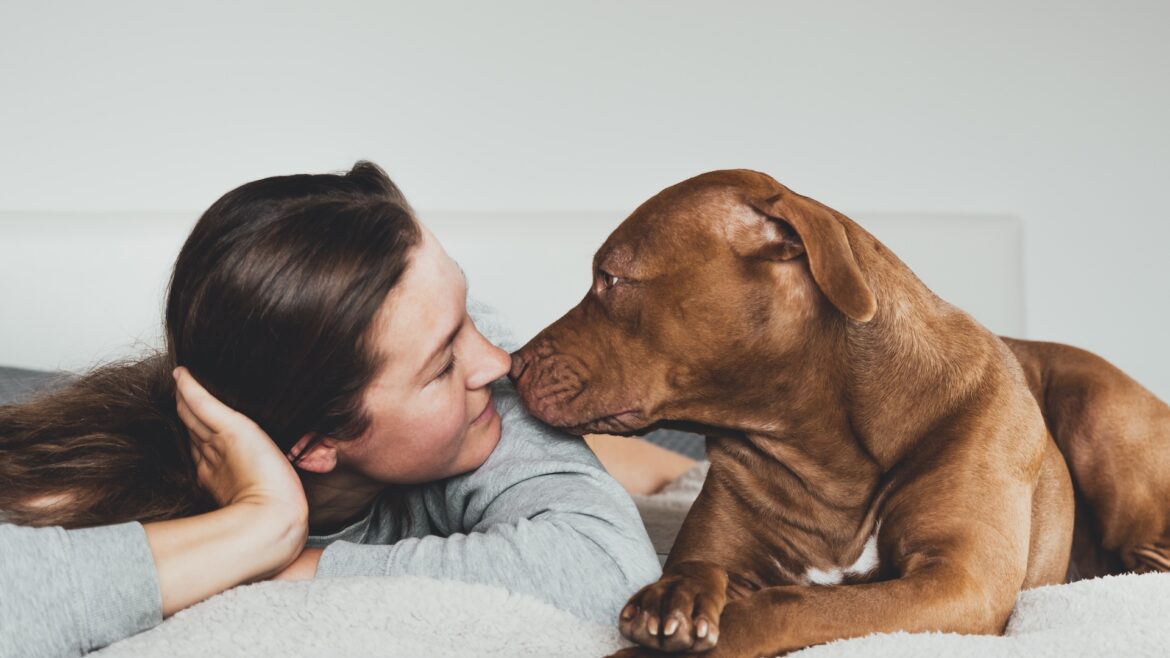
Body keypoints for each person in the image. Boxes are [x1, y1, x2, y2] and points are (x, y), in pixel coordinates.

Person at [0, 162, 671, 657]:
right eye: (444, 365)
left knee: (659, 466)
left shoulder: (461, 356)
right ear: (318, 445)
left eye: (468, 312)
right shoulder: (82, 488)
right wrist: (257, 528)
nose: (500, 363)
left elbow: (612, 571)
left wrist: (283, 565)